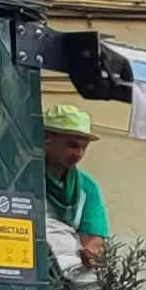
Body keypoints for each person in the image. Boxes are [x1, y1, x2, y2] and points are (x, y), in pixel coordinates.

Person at [43, 103, 112, 272]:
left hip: (70, 276)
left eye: (84, 147)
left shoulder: (87, 188)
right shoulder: (22, 177)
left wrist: (92, 252)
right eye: (72, 145)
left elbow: (94, 239)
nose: (79, 153)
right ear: (47, 140)